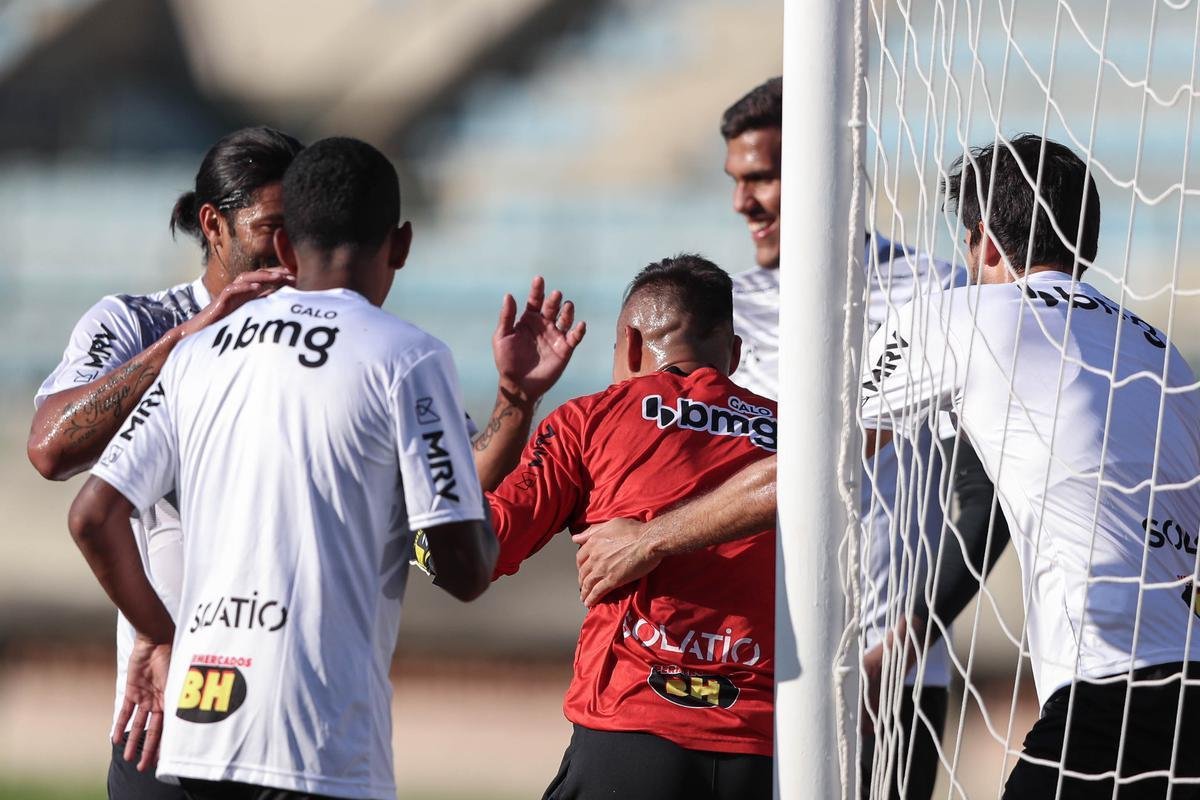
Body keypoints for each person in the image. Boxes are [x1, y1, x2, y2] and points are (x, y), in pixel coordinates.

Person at [66, 136, 584, 799]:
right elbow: (462, 566)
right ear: (399, 245)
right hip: (315, 741)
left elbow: (91, 516)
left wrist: (161, 637)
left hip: (193, 726)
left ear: (286, 248)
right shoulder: (405, 358)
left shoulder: (198, 352)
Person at [859, 133, 1200, 798]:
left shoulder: (962, 313)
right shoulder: (1166, 355)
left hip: (1106, 692)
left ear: (983, 239)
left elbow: (820, 462)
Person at [717, 75, 1009, 797]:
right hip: (741, 663)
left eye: (763, 177)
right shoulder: (716, 311)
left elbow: (983, 493)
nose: (742, 203)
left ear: (824, 167)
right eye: (736, 180)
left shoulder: (939, 292)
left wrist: (901, 647)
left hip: (890, 672)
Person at [27, 125, 304, 800]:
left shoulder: (321, 341)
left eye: (304, 227)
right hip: (168, 715)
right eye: (273, 227)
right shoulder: (138, 322)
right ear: (215, 225)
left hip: (292, 718)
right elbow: (51, 447)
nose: (293, 250)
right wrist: (186, 344)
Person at [480, 255, 776, 800]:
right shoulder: (790, 435)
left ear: (632, 346)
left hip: (632, 727)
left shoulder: (590, 419)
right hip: (767, 748)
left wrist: (514, 402)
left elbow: (482, 547)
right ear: (732, 356)